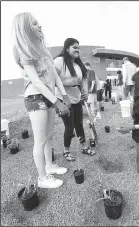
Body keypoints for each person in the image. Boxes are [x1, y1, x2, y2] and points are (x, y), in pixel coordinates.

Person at [12, 12, 71, 189]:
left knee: (49, 136)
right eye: (35, 24)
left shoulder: (43, 49)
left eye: (38, 23)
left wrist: (64, 95)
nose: (40, 26)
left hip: (50, 96)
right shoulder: (25, 51)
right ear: (25, 29)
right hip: (35, 97)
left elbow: (54, 75)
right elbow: (36, 82)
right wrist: (57, 101)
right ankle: (42, 177)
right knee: (40, 140)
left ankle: (50, 165)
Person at [54, 38, 96, 161]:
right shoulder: (59, 61)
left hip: (77, 99)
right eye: (74, 47)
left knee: (79, 125)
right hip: (63, 99)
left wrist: (85, 91)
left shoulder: (78, 65)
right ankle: (66, 150)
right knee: (69, 127)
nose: (77, 49)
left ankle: (83, 146)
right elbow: (52, 80)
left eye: (78, 47)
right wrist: (70, 82)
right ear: (67, 48)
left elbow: (83, 79)